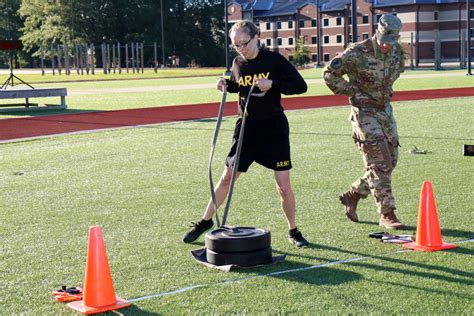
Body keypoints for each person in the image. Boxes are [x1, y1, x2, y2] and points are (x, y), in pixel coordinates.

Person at [183, 20, 309, 247]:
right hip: (247, 129)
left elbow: (301, 86)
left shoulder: (274, 60)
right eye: (236, 45)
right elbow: (237, 84)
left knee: (283, 185)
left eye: (245, 43)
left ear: (256, 37)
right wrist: (225, 84)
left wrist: (274, 84)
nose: (242, 48)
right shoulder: (237, 63)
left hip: (274, 129)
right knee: (227, 177)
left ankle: (293, 230)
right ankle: (205, 221)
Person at [323, 14, 405, 230]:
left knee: (390, 161)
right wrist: (352, 91)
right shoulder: (357, 52)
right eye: (385, 41)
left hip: (385, 111)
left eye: (392, 42)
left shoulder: (397, 50)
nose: (388, 46)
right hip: (364, 112)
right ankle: (387, 213)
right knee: (379, 163)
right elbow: (330, 73)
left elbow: (397, 70)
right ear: (377, 33)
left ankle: (353, 194)